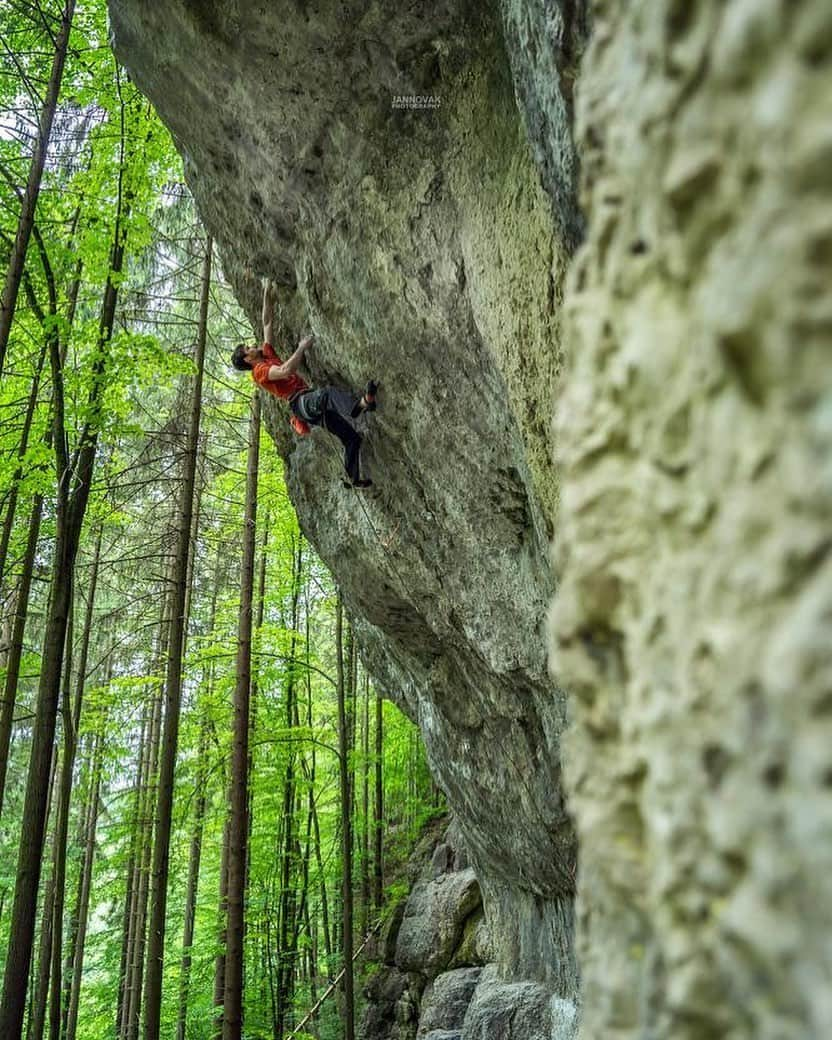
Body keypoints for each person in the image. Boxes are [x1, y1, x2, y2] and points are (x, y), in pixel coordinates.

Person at [231, 282, 378, 487]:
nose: (252, 345)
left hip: (307, 406)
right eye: (248, 348)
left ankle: (352, 479)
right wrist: (301, 348)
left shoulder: (266, 356)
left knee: (351, 437)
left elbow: (267, 323)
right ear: (247, 359)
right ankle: (359, 406)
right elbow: (285, 371)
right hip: (300, 403)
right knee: (326, 394)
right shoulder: (259, 372)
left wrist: (266, 293)